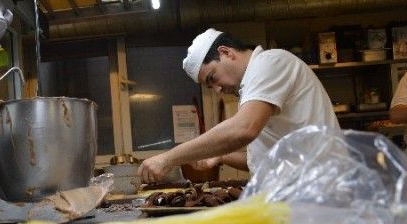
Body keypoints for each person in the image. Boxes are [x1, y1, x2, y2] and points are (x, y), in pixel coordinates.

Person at [138, 29, 340, 183]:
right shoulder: (253, 89)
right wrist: (220, 157)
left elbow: (243, 130)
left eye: (212, 78)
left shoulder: (270, 63)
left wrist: (168, 158)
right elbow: (265, 160)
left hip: (320, 193)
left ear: (226, 52)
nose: (217, 89)